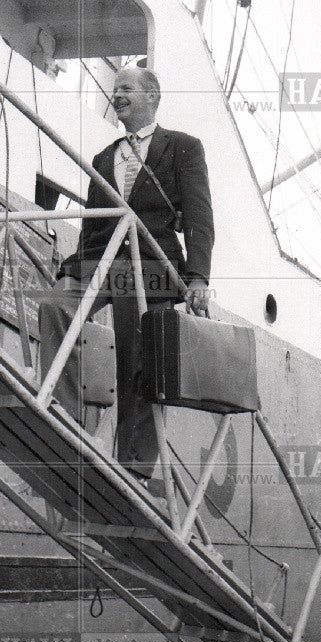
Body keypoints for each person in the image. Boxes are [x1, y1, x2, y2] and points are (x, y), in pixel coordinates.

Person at [39, 66, 214, 483]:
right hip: (100, 259)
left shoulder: (184, 148)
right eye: (113, 89)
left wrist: (198, 278)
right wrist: (71, 265)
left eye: (125, 89)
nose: (115, 95)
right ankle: (64, 417)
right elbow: (92, 222)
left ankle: (133, 466)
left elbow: (199, 217)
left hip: (149, 264)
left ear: (152, 96)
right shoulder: (105, 156)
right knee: (54, 305)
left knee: (139, 362)